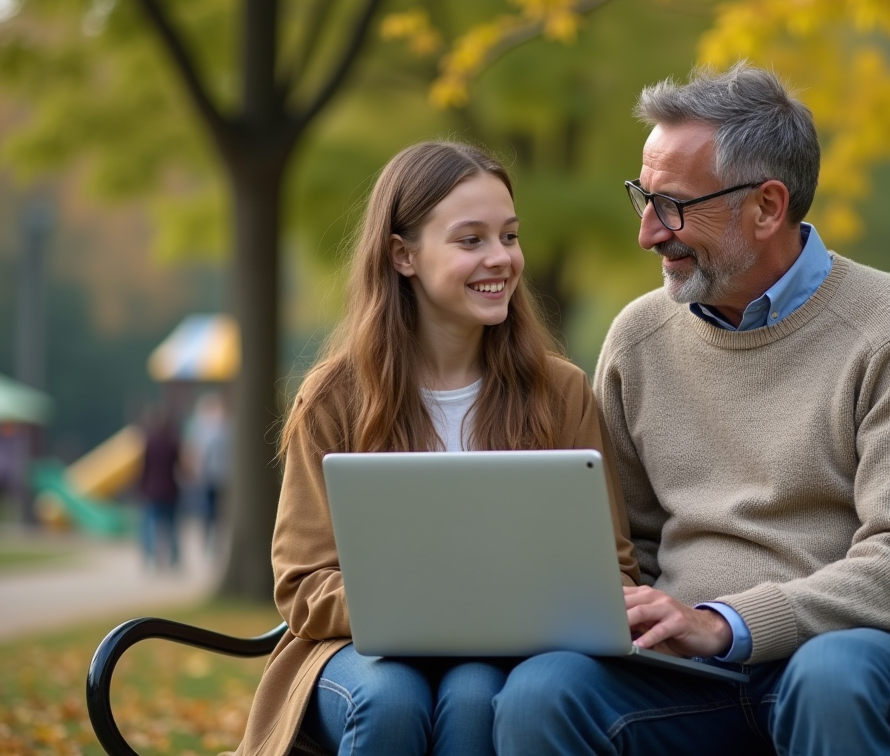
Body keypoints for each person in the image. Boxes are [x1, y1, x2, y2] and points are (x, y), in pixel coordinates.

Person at [492, 64, 890, 756]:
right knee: (544, 692)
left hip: (870, 667)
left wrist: (727, 624)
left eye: (673, 206)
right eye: (643, 198)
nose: (648, 233)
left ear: (767, 207)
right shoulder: (639, 338)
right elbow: (622, 542)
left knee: (830, 677)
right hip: (690, 680)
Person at [231, 141, 640, 756]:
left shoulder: (561, 391)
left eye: (509, 235)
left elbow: (612, 572)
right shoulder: (334, 398)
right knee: (391, 699)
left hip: (503, 660)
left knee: (476, 696)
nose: (501, 258)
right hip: (358, 655)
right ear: (403, 255)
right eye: (471, 240)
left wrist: (480, 613)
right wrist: (432, 607)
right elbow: (301, 585)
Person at [181, 391, 230, 554]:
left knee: (214, 512)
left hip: (217, 476)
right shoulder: (205, 427)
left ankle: (213, 543)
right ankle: (210, 543)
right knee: (210, 511)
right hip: (211, 476)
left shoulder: (219, 428)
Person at [136, 402, 183, 571]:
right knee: (171, 526)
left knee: (149, 525)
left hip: (152, 489)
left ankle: (149, 557)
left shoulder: (150, 441)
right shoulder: (173, 442)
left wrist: (140, 486)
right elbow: (180, 467)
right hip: (170, 489)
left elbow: (144, 467)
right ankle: (174, 558)